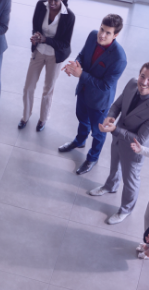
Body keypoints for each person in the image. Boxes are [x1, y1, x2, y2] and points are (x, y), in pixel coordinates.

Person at [87, 62, 149, 225]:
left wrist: (115, 130)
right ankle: (110, 186)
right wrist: (111, 116)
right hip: (116, 137)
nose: (144, 82)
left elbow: (141, 139)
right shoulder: (131, 84)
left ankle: (126, 209)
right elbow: (117, 105)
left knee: (131, 181)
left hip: (133, 149)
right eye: (142, 76)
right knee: (114, 164)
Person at [58, 14, 126, 176]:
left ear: (115, 35)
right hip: (83, 91)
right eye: (102, 29)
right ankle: (80, 141)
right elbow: (82, 55)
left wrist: (80, 74)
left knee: (98, 132)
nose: (102, 35)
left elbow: (105, 85)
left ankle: (92, 157)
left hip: (99, 101)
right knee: (82, 118)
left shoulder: (119, 59)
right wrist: (75, 65)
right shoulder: (91, 35)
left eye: (108, 33)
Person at [18, 0, 75, 132]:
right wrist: (36, 36)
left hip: (55, 56)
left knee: (48, 89)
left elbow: (65, 44)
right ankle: (25, 117)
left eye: (56, 0)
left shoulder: (69, 16)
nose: (52, 2)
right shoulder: (40, 5)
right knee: (28, 87)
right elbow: (35, 26)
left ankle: (43, 119)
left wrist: (46, 40)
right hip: (39, 51)